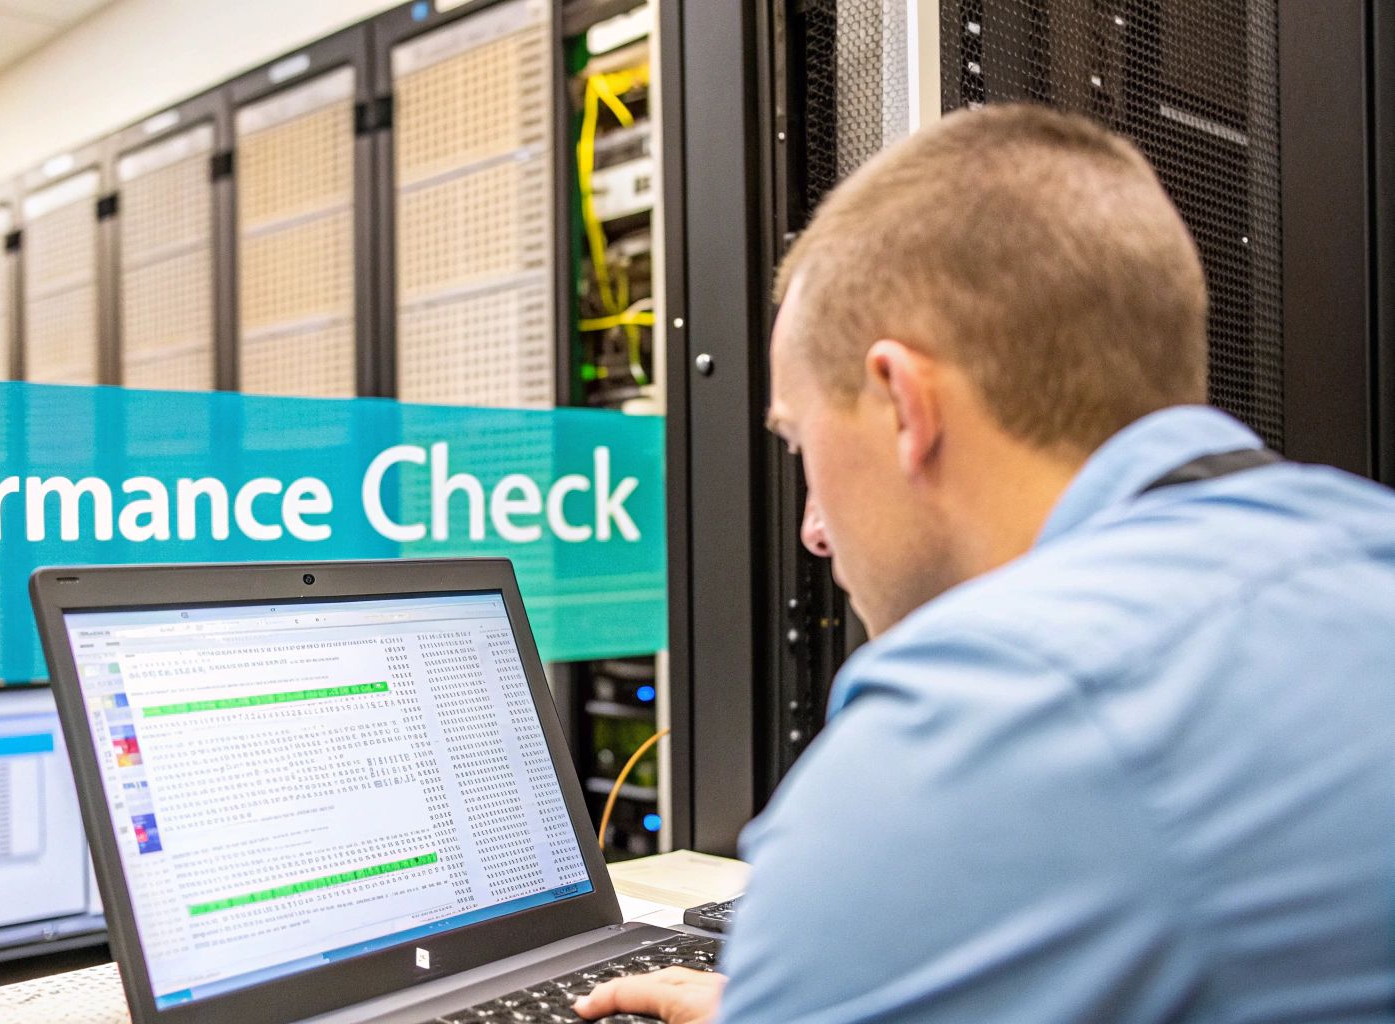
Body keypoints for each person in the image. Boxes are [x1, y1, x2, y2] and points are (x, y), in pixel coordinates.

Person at [573, 104, 1395, 1023]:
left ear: (903, 405)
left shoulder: (981, 711)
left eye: (801, 441)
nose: (812, 529)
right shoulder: (1366, 547)